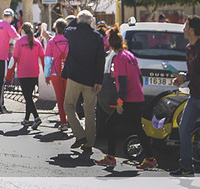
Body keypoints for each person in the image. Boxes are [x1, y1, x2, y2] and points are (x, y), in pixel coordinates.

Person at [96, 26, 157, 169]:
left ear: (110, 45)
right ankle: (150, 158)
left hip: (128, 99)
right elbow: (139, 77)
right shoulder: (130, 55)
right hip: (137, 97)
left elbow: (122, 83)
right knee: (138, 128)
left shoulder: (118, 59)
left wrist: (119, 102)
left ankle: (111, 157)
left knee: (111, 123)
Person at [169, 15, 200, 178]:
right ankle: (186, 167)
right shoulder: (189, 48)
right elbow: (194, 74)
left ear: (191, 30)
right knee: (184, 128)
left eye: (185, 26)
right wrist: (182, 78)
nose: (183, 29)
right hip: (195, 96)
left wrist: (187, 78)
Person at [62, 10, 105, 155]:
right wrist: (99, 80)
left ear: (79, 21)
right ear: (91, 21)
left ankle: (79, 135)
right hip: (91, 80)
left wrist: (76, 20)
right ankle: (89, 143)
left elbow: (66, 29)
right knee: (90, 112)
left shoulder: (73, 32)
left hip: (74, 77)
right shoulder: (97, 37)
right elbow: (101, 60)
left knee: (69, 106)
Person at [12, 22, 45, 127]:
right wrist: (46, 73)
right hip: (34, 72)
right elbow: (43, 57)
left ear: (22, 30)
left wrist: (10, 72)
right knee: (29, 96)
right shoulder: (37, 42)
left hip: (23, 73)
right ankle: (26, 119)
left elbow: (15, 57)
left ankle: (36, 117)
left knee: (28, 97)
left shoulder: (19, 42)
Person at [45, 19, 70, 127]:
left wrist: (47, 76)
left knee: (60, 99)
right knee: (70, 99)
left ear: (56, 28)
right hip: (69, 73)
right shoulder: (70, 40)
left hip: (55, 73)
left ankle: (63, 122)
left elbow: (47, 61)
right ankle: (72, 121)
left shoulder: (52, 42)